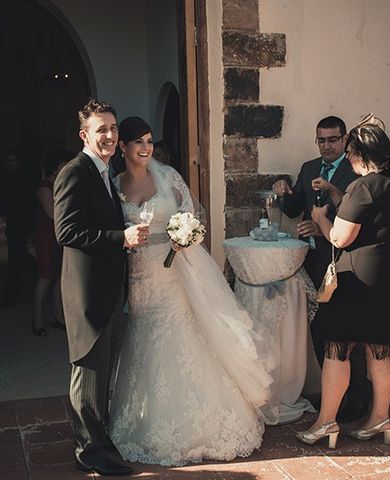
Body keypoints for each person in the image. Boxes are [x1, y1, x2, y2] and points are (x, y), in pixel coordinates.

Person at [108, 116, 277, 466]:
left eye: (150, 141)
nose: (145, 148)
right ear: (122, 147)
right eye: (137, 142)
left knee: (184, 334)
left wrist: (186, 235)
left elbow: (192, 216)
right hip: (141, 275)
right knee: (145, 339)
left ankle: (207, 422)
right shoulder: (113, 186)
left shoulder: (169, 177)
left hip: (178, 272)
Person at [299, 123, 390, 448]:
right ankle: (380, 417)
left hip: (358, 274)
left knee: (337, 347)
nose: (349, 158)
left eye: (350, 152)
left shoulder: (363, 186)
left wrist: (320, 217)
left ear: (359, 154)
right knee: (380, 345)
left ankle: (326, 423)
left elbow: (339, 236)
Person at [53, 99, 148, 476]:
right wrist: (120, 238)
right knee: (88, 374)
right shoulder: (74, 172)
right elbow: (66, 231)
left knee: (102, 373)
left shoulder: (104, 172)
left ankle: (100, 442)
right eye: (101, 130)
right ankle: (88, 454)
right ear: (84, 135)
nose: (110, 136)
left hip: (107, 289)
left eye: (113, 129)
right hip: (87, 290)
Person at [272, 116, 370, 422]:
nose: (326, 146)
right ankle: (334, 395)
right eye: (321, 140)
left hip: (344, 261)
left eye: (332, 140)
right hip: (314, 263)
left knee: (347, 333)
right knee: (319, 330)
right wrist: (284, 191)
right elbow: (292, 209)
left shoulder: (354, 169)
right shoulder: (308, 167)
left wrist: (320, 227)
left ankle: (357, 398)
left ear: (344, 140)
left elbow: (356, 214)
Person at [0, 148, 37, 308]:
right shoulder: (10, 178)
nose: (11, 164)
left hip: (22, 222)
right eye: (9, 161)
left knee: (15, 259)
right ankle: (38, 276)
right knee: (18, 256)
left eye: (14, 161)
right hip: (16, 223)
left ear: (20, 162)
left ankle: (11, 296)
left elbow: (29, 203)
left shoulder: (25, 179)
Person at [32, 150, 71, 336]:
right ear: (57, 167)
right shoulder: (45, 188)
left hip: (60, 237)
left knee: (58, 279)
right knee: (45, 277)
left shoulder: (62, 184)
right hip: (46, 237)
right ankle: (37, 320)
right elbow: (53, 214)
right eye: (65, 164)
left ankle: (58, 316)